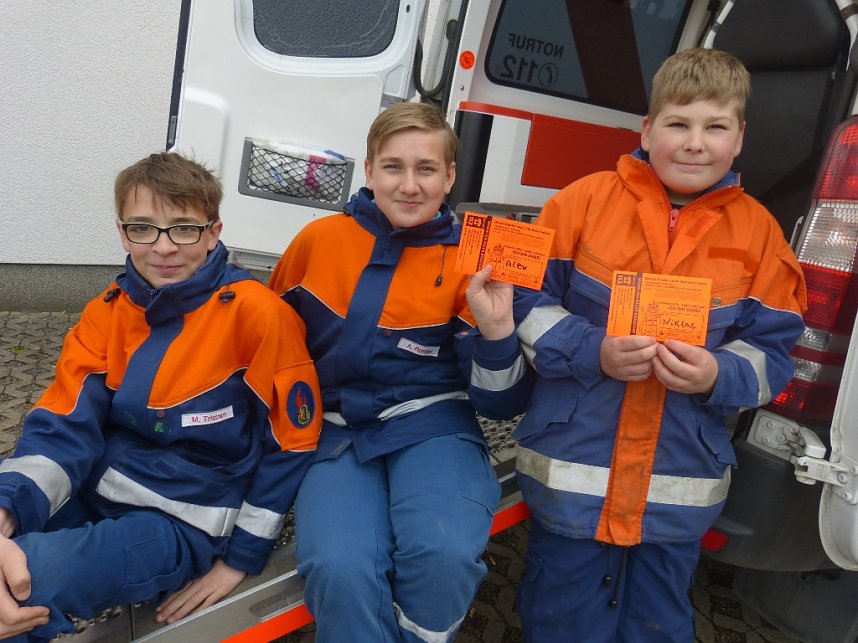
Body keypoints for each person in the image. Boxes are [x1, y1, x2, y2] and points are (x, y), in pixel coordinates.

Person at [511, 48, 807, 642]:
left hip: (678, 493)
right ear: (646, 130)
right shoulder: (582, 202)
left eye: (715, 126)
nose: (695, 142)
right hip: (573, 485)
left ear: (740, 138)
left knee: (658, 626)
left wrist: (716, 375)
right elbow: (521, 303)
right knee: (559, 622)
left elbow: (776, 355)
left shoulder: (760, 234)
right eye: (678, 123)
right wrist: (593, 348)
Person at [0, 152, 322, 641]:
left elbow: (293, 443)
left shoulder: (259, 315)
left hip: (180, 521)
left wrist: (240, 561)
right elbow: (64, 422)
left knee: (31, 581)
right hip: (98, 484)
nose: (164, 247)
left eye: (184, 228)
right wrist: (6, 508)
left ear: (214, 232)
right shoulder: (107, 311)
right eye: (143, 228)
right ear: (122, 231)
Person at [268, 101, 532, 643]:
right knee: (340, 566)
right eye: (393, 167)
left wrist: (498, 330)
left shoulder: (476, 260)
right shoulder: (317, 242)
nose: (409, 185)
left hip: (433, 426)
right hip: (338, 433)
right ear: (368, 169)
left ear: (450, 176)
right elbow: (272, 346)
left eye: (426, 169)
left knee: (443, 553)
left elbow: (501, 405)